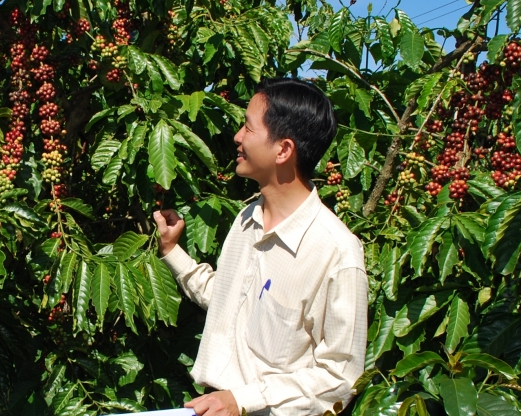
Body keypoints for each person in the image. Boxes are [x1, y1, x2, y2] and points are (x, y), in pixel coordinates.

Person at [155, 78, 368, 416]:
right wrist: (172, 252)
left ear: (283, 150)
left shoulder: (336, 252)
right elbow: (228, 299)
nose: (238, 136)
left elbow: (340, 376)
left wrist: (245, 399)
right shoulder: (247, 219)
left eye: (248, 128)